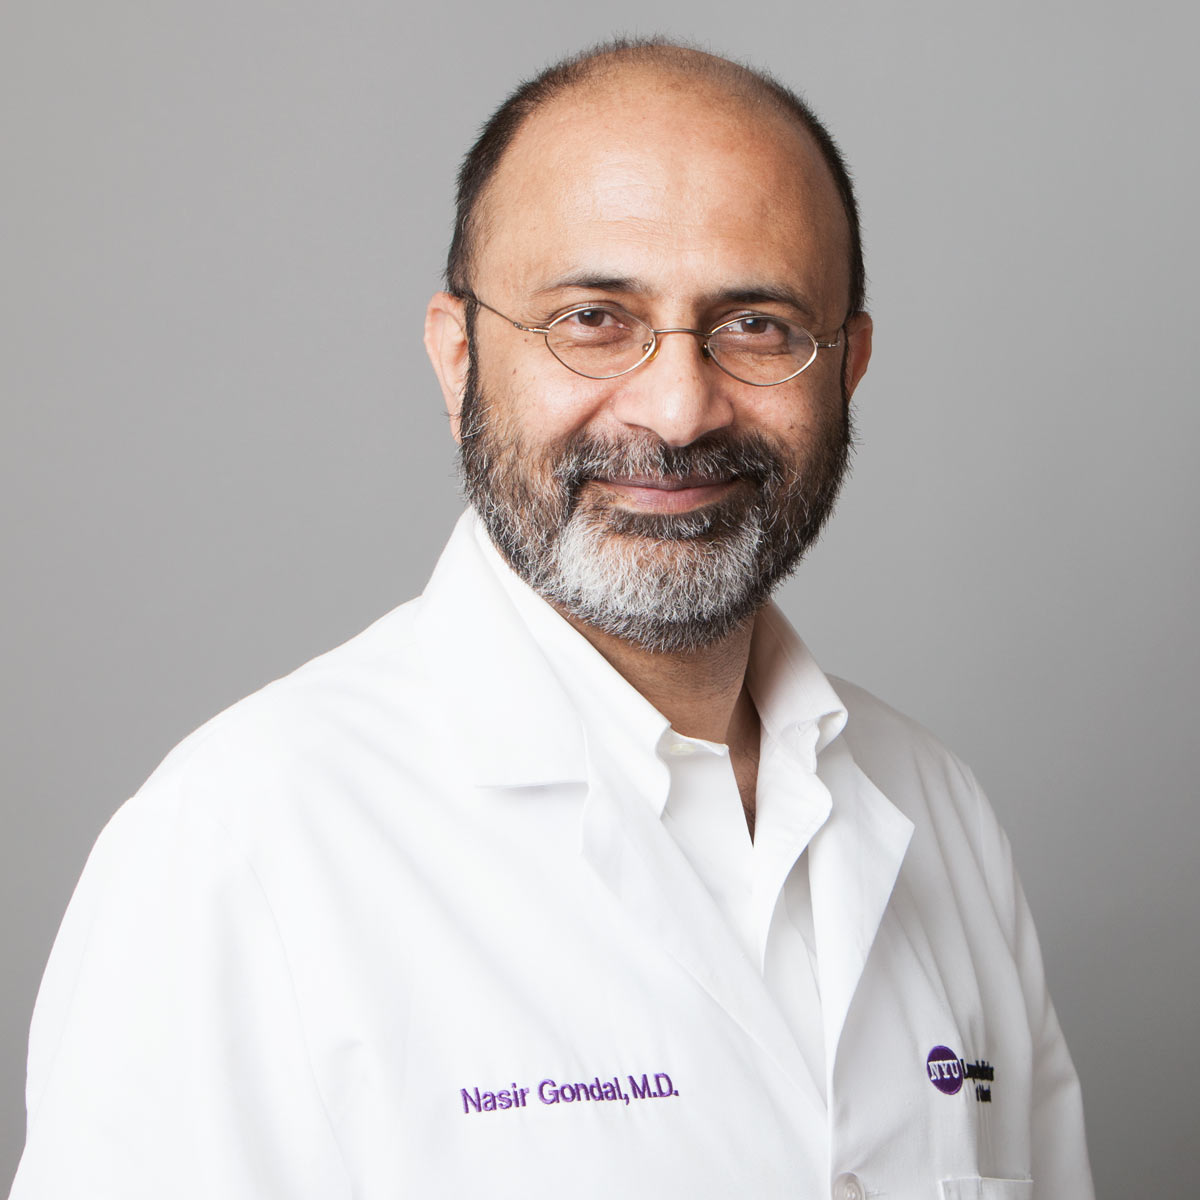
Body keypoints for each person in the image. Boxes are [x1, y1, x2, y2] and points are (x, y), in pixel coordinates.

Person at [10, 38, 1094, 1200]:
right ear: (458, 358)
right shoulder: (240, 850)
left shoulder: (937, 811)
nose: (677, 410)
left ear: (849, 367)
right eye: (592, 318)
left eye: (758, 325)